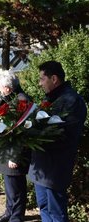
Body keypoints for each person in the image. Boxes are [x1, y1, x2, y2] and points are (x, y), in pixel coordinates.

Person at [28, 61, 87, 222]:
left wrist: (33, 135)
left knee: (56, 213)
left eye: (42, 79)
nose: (39, 84)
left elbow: (66, 136)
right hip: (41, 167)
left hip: (55, 168)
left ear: (54, 79)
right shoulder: (51, 99)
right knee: (44, 208)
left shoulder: (71, 101)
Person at [0, 72, 31, 222]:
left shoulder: (22, 101)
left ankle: (16, 217)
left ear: (7, 88)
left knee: (16, 188)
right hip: (7, 150)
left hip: (15, 153)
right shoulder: (11, 99)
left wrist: (15, 156)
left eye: (1, 87)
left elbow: (22, 132)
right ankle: (9, 213)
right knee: (10, 187)